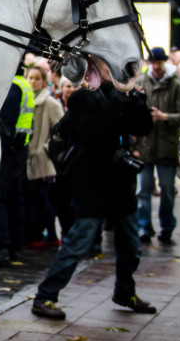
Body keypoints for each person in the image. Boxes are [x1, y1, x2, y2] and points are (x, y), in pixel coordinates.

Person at [31, 70, 155, 320]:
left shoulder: (120, 97)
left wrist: (139, 103)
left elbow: (142, 127)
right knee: (80, 240)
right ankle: (45, 296)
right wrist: (118, 101)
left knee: (130, 243)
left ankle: (125, 292)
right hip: (91, 181)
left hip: (120, 181)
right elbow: (91, 130)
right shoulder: (80, 99)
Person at [135, 47, 180, 243]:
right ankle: (144, 228)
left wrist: (165, 117)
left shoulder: (176, 84)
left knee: (167, 189)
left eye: (159, 62)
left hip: (167, 145)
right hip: (145, 145)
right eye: (153, 63)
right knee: (143, 190)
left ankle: (167, 226)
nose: (156, 66)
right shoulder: (141, 82)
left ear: (164, 62)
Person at [0, 66, 34, 265]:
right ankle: (14, 247)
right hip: (18, 150)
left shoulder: (12, 86)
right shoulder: (23, 84)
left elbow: (5, 122)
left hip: (6, 150)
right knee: (13, 199)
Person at [25, 64, 64, 248]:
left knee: (44, 200)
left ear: (43, 81)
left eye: (37, 78)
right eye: (30, 78)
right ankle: (35, 235)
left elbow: (60, 131)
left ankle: (51, 236)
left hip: (42, 159)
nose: (33, 82)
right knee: (31, 200)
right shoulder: (24, 100)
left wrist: (46, 149)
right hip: (26, 158)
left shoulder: (50, 103)